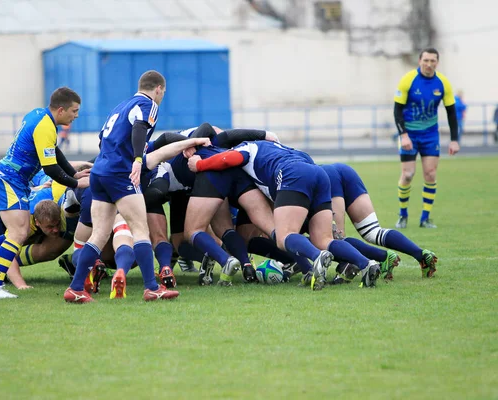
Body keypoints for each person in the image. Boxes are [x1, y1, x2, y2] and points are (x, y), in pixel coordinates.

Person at [188, 141, 382, 290]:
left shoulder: (247, 147)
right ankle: (366, 264)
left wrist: (201, 164)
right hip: (318, 174)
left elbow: (229, 159)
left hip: (292, 175)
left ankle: (317, 258)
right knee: (323, 238)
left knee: (284, 236)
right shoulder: (279, 147)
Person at [0, 87, 89, 300]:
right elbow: (50, 169)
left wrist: (74, 174)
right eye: (74, 110)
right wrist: (76, 183)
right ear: (61, 109)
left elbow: (56, 153)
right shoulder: (45, 126)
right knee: (18, 233)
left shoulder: (40, 115)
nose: (76, 115)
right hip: (9, 179)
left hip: (12, 179)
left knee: (16, 233)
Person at [65, 71, 180, 303]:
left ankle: (76, 288)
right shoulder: (148, 105)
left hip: (100, 172)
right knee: (140, 230)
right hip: (120, 173)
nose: (162, 97)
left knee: (98, 234)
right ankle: (151, 288)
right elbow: (139, 129)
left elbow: (101, 140)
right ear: (158, 88)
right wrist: (137, 160)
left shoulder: (120, 107)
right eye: (163, 93)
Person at [321, 163, 438, 279]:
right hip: (344, 170)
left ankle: (353, 268)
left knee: (335, 238)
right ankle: (420, 254)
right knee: (373, 231)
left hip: (324, 177)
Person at [394, 48, 460, 229]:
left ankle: (425, 218)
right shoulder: (408, 80)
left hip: (430, 135)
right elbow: (397, 110)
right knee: (407, 174)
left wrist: (454, 139)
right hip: (409, 134)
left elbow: (451, 113)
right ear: (419, 61)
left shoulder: (443, 83)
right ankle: (403, 215)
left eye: (433, 61)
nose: (429, 64)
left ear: (437, 63)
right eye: (426, 61)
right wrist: (403, 134)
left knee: (430, 174)